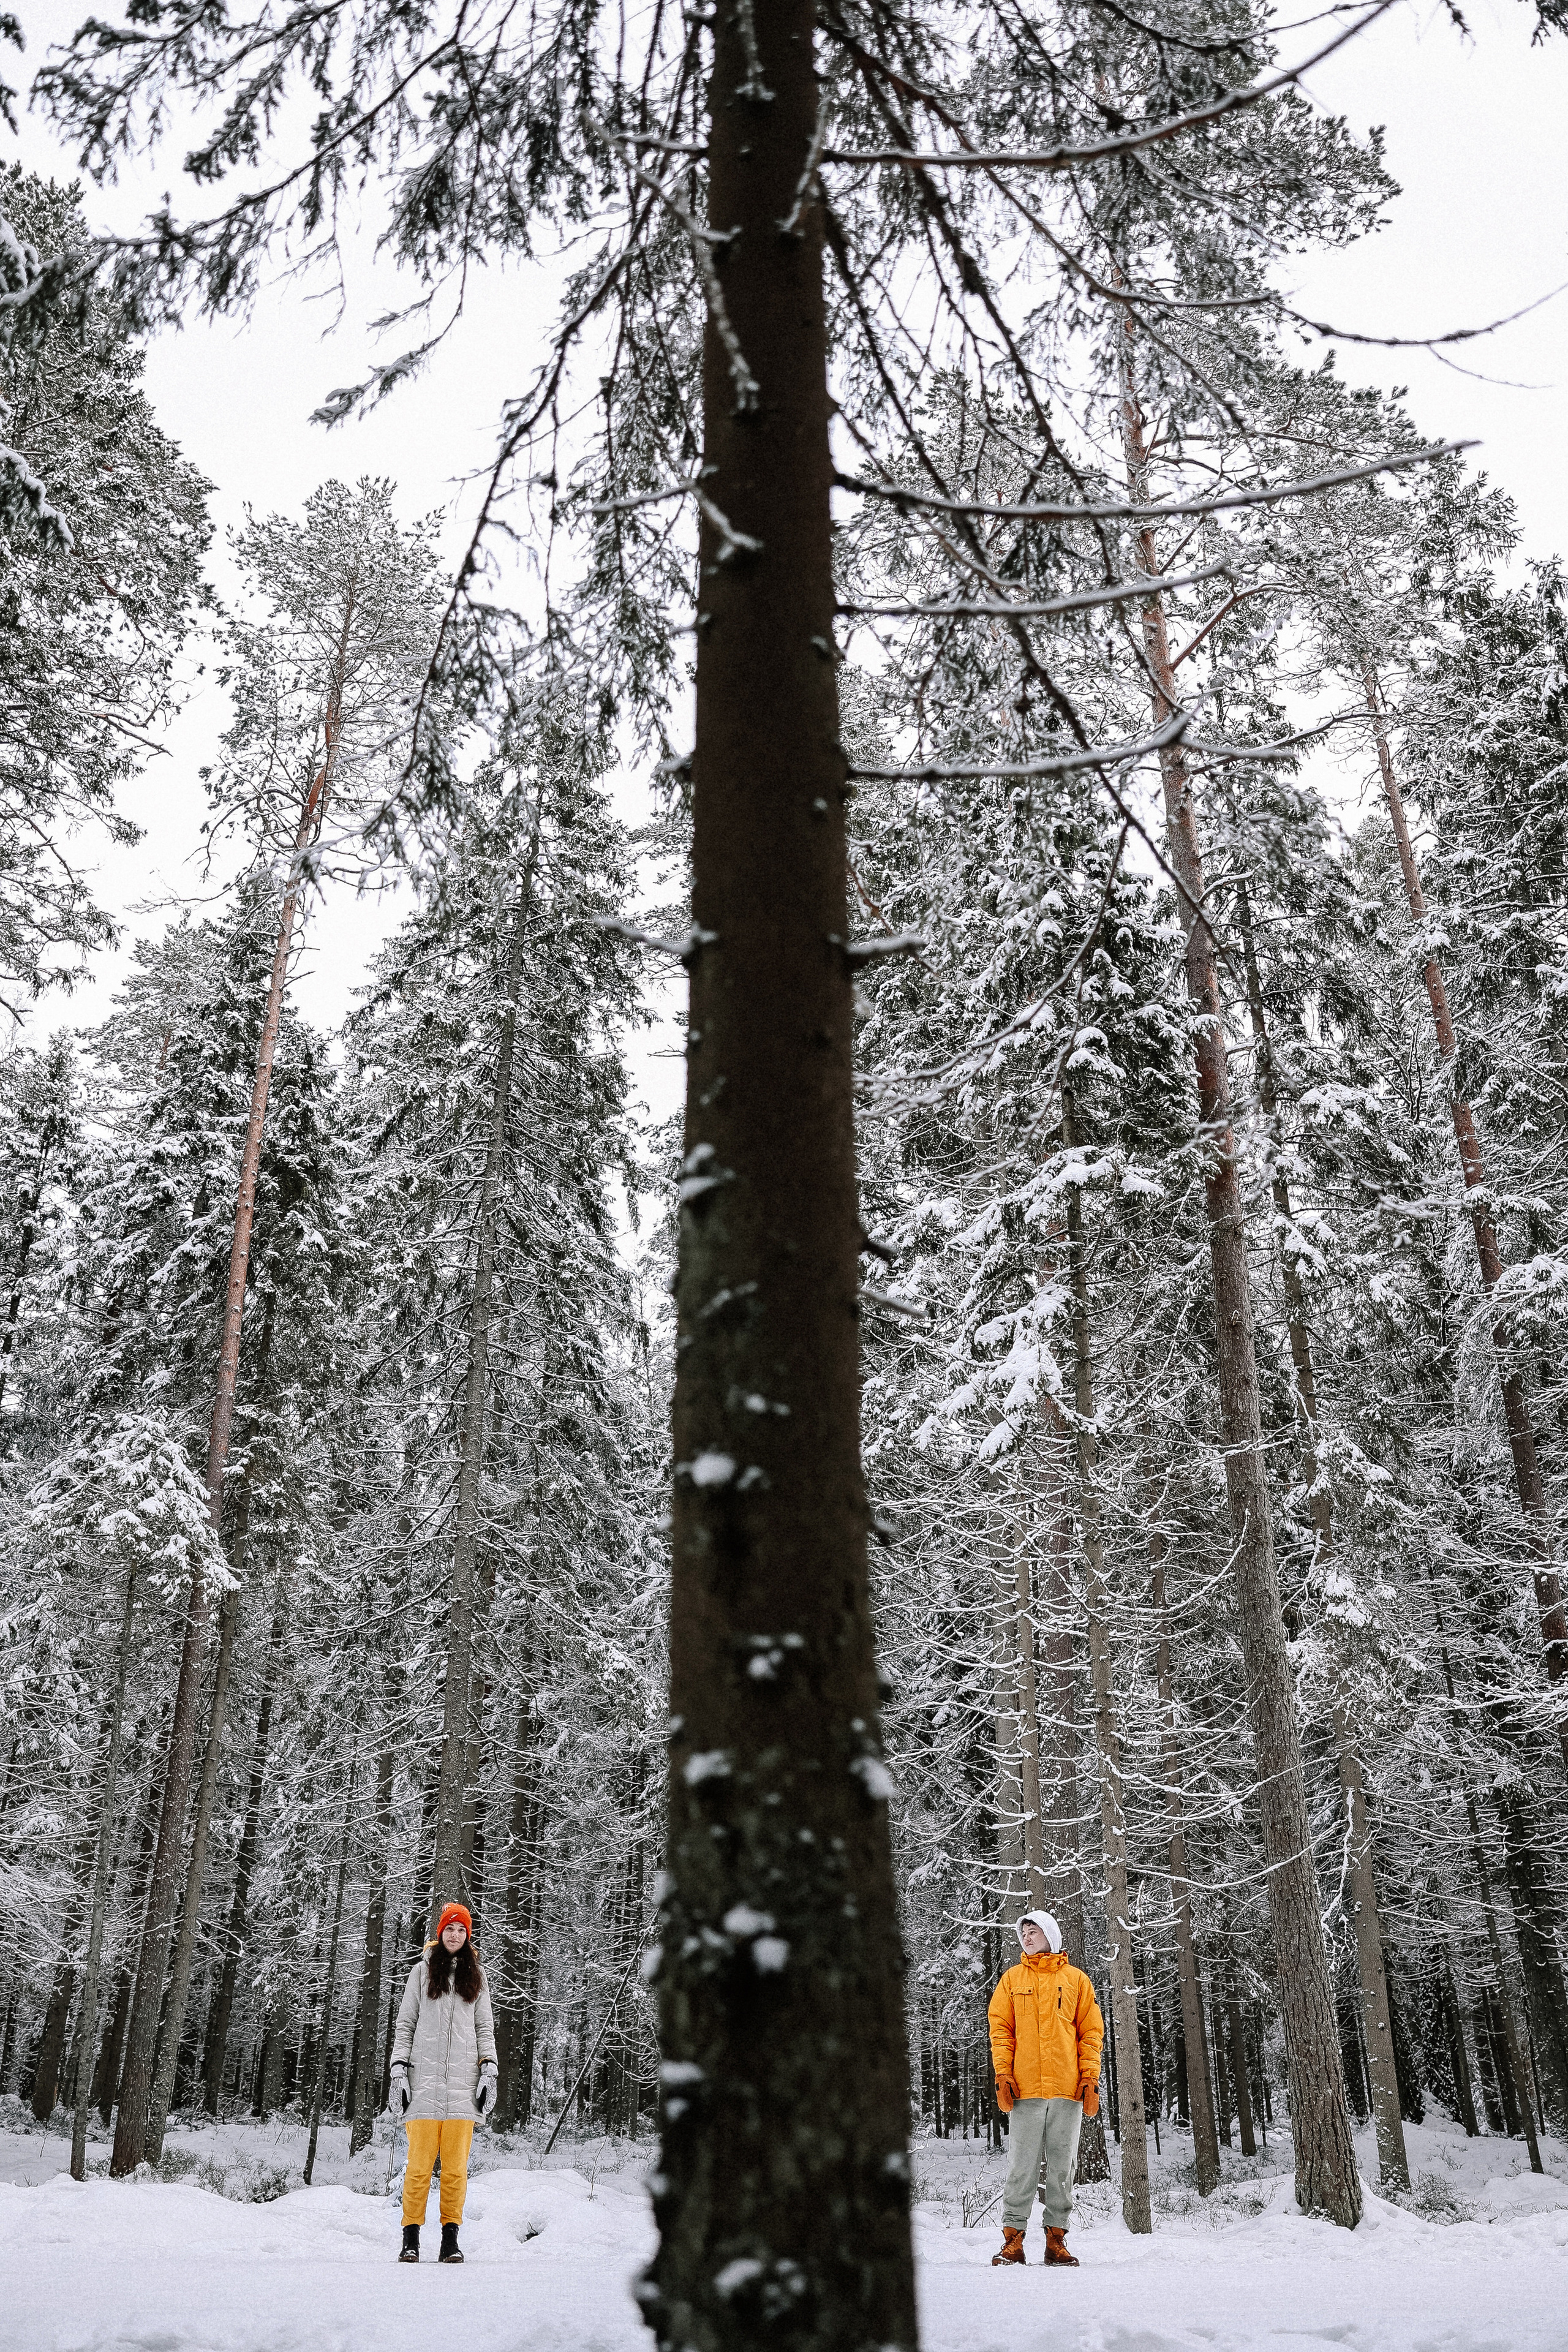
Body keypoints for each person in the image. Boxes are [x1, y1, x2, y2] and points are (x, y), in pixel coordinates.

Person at [987, 1907, 1104, 2269]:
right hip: (1025, 2090)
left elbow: (1091, 2034)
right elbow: (1000, 2031)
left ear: (1050, 1936)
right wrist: (1003, 2076)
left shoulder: (1076, 1981)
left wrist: (1090, 2079)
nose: (1027, 1937)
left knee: (1062, 2168)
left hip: (1068, 2090)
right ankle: (1013, 2241)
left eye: (1034, 1931)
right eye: (1023, 1932)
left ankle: (1057, 2241)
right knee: (1021, 2166)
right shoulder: (1010, 1980)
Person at [389, 1901, 498, 2264]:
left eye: (462, 1930)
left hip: (463, 2089)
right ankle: (411, 2240)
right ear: (440, 1933)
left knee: (455, 2170)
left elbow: (485, 2028)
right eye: (450, 1929)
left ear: (468, 1935)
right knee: (418, 2168)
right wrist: (399, 2071)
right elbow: (405, 2025)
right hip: (422, 2085)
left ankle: (450, 2241)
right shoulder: (421, 1973)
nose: (455, 1935)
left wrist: (489, 2070)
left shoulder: (477, 1977)